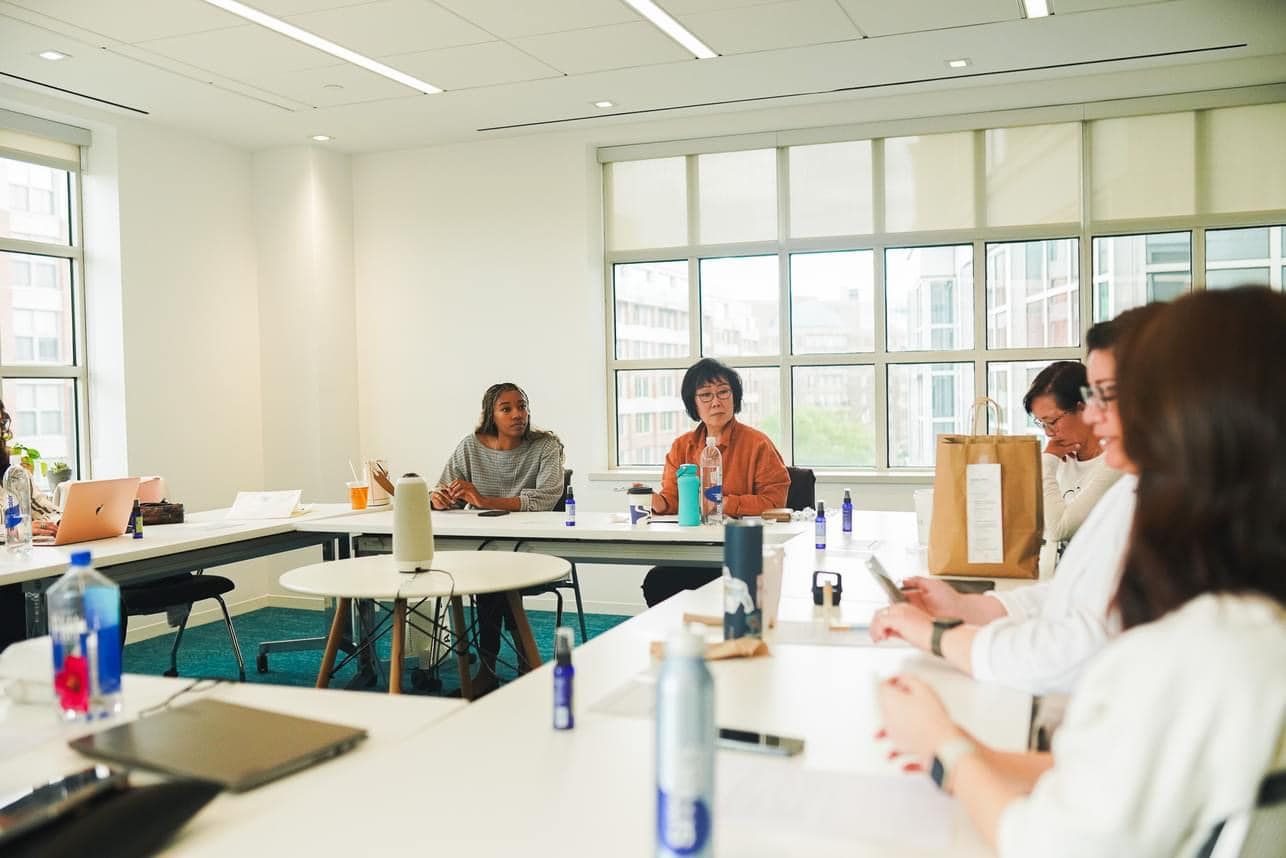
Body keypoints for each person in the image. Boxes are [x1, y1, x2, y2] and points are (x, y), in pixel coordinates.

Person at [875, 287, 1286, 856]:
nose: (1094, 415)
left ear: (1205, 416)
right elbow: (1131, 778)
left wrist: (946, 748)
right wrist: (972, 746)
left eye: (1121, 396)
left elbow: (1049, 843)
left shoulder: (1207, 646)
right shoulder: (1246, 611)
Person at [870, 304, 1163, 696]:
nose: (1093, 416)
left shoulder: (1166, 502)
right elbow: (1076, 595)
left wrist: (938, 636)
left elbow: (1074, 649)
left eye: (1105, 395)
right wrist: (966, 607)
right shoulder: (1134, 487)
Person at [432, 383, 565, 694]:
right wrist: (439, 499)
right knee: (492, 575)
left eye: (522, 406)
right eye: (507, 409)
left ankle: (492, 670)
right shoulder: (470, 447)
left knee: (495, 581)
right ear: (491, 415)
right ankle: (518, 664)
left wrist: (483, 499)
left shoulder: (546, 446)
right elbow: (446, 490)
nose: (518, 414)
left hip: (536, 549)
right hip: (486, 549)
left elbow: (544, 499)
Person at [642, 358, 789, 607]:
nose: (716, 401)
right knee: (659, 582)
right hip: (695, 549)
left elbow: (774, 502)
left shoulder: (758, 444)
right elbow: (672, 501)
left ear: (735, 397)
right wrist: (652, 499)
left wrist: (722, 504)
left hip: (743, 550)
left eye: (723, 392)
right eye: (705, 395)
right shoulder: (682, 446)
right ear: (693, 404)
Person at [1022, 361, 1121, 545]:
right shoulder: (1062, 457)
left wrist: (1047, 461)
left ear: (1083, 408)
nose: (1048, 433)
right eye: (1041, 423)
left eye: (1052, 421)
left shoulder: (1115, 463)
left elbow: (1057, 530)